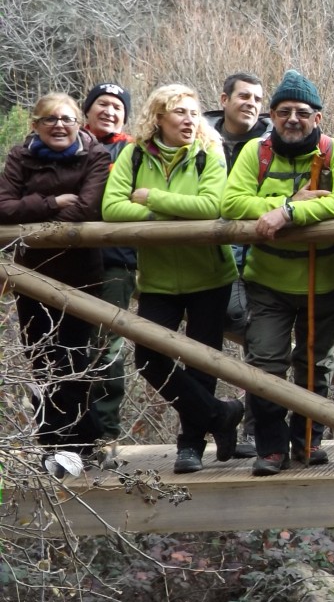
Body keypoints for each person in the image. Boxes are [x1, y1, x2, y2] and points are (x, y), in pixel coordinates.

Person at [101, 84, 245, 474]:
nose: (189, 120)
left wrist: (151, 198)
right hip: (158, 278)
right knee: (149, 359)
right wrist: (165, 218)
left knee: (202, 363)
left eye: (194, 113)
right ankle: (220, 415)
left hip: (210, 276)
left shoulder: (209, 151)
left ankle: (190, 447)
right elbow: (111, 208)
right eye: (180, 112)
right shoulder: (134, 154)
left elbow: (211, 206)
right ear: (159, 117)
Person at [220, 70, 334, 476]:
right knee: (265, 362)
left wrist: (290, 213)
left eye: (302, 112)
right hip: (267, 281)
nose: (292, 119)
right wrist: (286, 201)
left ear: (318, 118)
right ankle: (272, 447)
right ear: (272, 116)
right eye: (283, 112)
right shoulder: (255, 152)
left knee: (316, 363)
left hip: (323, 279)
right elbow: (231, 203)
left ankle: (308, 439)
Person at [0, 94, 110, 464]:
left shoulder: (95, 155)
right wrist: (54, 203)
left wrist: (33, 220)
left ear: (79, 123)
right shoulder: (21, 156)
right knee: (41, 361)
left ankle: (78, 446)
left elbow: (88, 207)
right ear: (35, 125)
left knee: (74, 359)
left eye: (66, 119)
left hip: (81, 275)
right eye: (49, 119)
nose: (59, 125)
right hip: (30, 275)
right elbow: (2, 207)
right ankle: (54, 446)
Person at [206, 70, 273, 459]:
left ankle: (254, 431)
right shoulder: (201, 138)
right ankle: (212, 419)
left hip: (262, 256)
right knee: (208, 342)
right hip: (209, 257)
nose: (251, 104)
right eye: (244, 96)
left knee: (261, 344)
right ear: (224, 99)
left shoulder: (271, 143)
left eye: (257, 99)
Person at [80, 82, 135, 451]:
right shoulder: (67, 141)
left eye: (117, 107)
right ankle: (67, 435)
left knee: (106, 347)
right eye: (102, 104)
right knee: (65, 346)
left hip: (116, 260)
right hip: (64, 260)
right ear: (87, 109)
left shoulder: (133, 150)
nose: (109, 111)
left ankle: (105, 434)